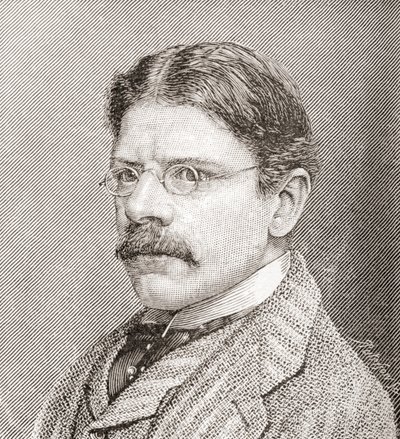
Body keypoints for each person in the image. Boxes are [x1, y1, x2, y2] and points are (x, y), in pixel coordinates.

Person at [32, 42, 396, 439]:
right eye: (127, 175)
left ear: (283, 203)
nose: (138, 206)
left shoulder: (332, 404)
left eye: (189, 175)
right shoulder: (94, 368)